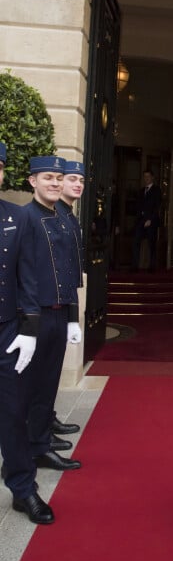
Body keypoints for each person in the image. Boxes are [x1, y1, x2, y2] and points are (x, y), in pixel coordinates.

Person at [0, 143, 54, 524]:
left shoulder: (18, 218)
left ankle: (23, 488)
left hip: (6, 331)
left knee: (13, 412)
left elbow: (28, 279)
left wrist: (30, 330)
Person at [24, 156, 82, 472]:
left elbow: (70, 269)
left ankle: (41, 445)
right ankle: (27, 449)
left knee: (48, 384)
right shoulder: (24, 218)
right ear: (33, 181)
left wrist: (73, 317)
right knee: (30, 387)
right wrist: (26, 322)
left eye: (59, 178)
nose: (56, 183)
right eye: (48, 177)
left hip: (60, 313)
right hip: (36, 314)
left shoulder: (63, 218)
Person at [51, 159, 85, 441]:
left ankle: (46, 422)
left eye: (81, 180)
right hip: (48, 305)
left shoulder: (69, 216)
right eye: (71, 179)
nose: (77, 184)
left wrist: (73, 317)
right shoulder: (53, 217)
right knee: (42, 376)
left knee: (51, 373)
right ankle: (40, 432)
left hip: (64, 302)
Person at [132, 169, 162, 271]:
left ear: (152, 177)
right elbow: (138, 206)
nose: (146, 179)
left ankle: (152, 267)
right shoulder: (141, 191)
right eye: (145, 177)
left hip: (151, 221)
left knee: (151, 244)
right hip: (140, 220)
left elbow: (157, 207)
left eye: (148, 176)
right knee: (136, 242)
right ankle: (135, 266)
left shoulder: (157, 190)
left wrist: (150, 219)